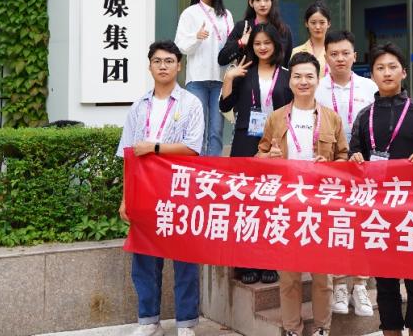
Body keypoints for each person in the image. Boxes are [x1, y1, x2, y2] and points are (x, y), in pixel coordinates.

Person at [349, 42, 413, 336]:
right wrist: (355, 159)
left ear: (403, 72)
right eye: (380, 68)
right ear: (372, 75)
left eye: (392, 67)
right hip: (377, 211)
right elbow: (354, 155)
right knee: (385, 281)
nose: (387, 73)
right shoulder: (364, 116)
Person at [256, 52, 349, 336]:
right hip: (287, 205)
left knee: (322, 277)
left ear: (318, 79)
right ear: (290, 80)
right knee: (289, 277)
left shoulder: (331, 118)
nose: (303, 81)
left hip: (321, 205)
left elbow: (344, 159)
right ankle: (292, 329)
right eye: (297, 76)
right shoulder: (276, 117)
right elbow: (258, 159)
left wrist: (330, 167)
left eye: (309, 76)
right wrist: (269, 158)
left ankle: (322, 328)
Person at [116, 41, 204, 336]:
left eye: (169, 61)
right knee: (144, 258)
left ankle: (186, 323)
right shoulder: (139, 106)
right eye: (157, 61)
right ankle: (149, 321)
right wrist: (125, 199)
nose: (163, 66)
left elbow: (193, 148)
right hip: (145, 191)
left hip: (180, 190)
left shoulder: (191, 103)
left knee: (185, 259)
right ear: (149, 66)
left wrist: (154, 147)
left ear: (179, 65)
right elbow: (128, 156)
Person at [219, 22, 292, 284]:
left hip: (277, 143)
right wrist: (229, 78)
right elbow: (225, 105)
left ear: (276, 45)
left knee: (272, 202)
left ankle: (268, 261)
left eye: (267, 43)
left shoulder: (287, 75)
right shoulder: (243, 70)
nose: (262, 47)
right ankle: (245, 263)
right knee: (245, 202)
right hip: (245, 141)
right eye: (258, 43)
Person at [314, 30, 378, 317]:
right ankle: (339, 283)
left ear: (355, 55)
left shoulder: (369, 86)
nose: (340, 58)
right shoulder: (317, 88)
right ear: (326, 57)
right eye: (334, 54)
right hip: (331, 166)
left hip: (364, 165)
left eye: (345, 53)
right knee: (337, 223)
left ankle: (360, 285)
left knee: (363, 224)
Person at [175, 0, 234, 157]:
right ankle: (196, 169)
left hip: (221, 80)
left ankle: (213, 168)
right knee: (196, 130)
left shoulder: (226, 14)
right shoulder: (190, 13)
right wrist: (197, 37)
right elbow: (180, 46)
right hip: (197, 80)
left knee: (216, 131)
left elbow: (231, 45)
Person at [219, 0, 294, 68]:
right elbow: (222, 59)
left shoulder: (283, 29)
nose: (262, 4)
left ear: (272, 2)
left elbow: (286, 61)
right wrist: (240, 42)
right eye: (258, 0)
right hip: (247, 76)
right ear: (251, 2)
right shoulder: (242, 27)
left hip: (275, 76)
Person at [291, 0, 331, 75]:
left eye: (322, 22)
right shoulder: (296, 52)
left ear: (329, 24)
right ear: (306, 23)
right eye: (313, 23)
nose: (318, 27)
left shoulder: (335, 52)